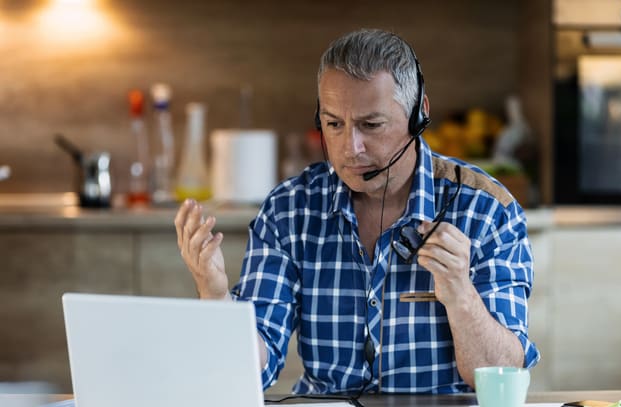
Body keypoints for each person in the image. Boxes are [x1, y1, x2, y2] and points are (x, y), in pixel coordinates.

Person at [174, 28, 539, 395]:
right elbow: (254, 374)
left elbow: (501, 379)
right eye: (334, 124)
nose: (351, 148)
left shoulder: (489, 211)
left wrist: (461, 294)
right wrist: (216, 297)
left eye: (371, 125)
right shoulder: (289, 211)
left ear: (419, 114)